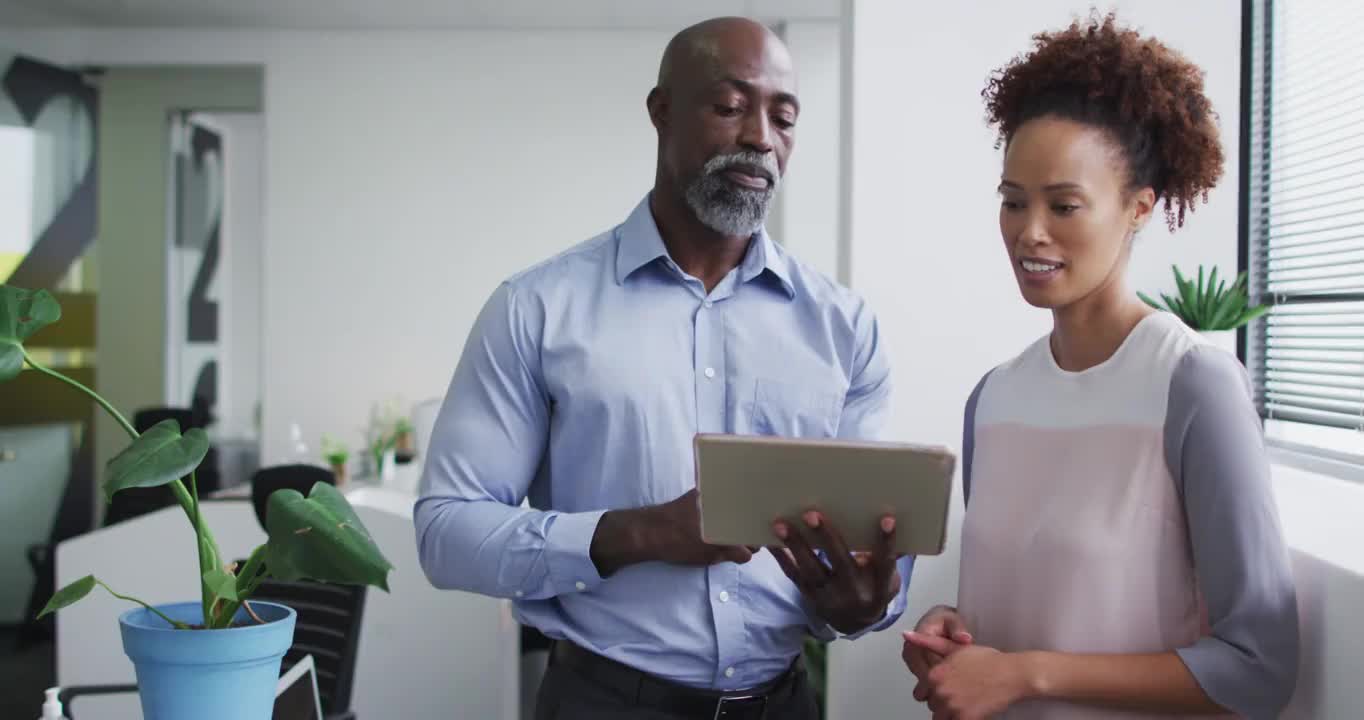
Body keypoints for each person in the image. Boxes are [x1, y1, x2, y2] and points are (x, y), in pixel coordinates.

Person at [415, 16, 913, 720]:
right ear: (662, 111)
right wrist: (640, 533)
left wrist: (866, 604)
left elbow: (873, 543)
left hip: (784, 702)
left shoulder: (844, 328)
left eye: (784, 117)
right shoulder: (537, 309)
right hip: (603, 701)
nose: (760, 138)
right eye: (730, 106)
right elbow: (446, 533)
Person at [901, 13, 1299, 720]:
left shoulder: (1192, 387)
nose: (1030, 232)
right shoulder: (992, 399)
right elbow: (1054, 604)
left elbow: (1256, 667)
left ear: (1139, 208)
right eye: (1013, 202)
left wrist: (1028, 674)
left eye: (1064, 205)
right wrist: (955, 631)